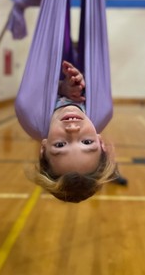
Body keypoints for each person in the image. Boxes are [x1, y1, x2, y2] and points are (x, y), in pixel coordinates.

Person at [25, 60, 127, 203]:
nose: (73, 129)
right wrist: (81, 83)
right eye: (87, 142)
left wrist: (61, 88)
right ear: (100, 142)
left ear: (43, 148)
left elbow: (35, 83)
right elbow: (95, 72)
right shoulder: (99, 110)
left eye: (60, 145)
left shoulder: (32, 114)